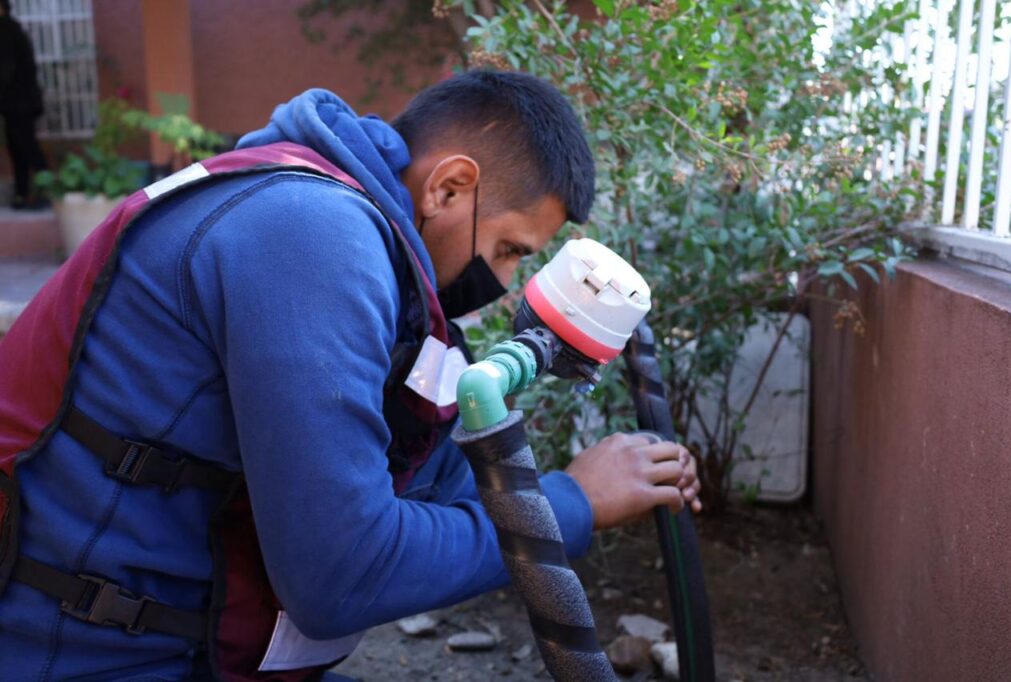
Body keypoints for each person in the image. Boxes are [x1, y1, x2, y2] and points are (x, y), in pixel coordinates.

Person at [0, 70, 700, 680]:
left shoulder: (375, 262)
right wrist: (571, 504)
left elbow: (443, 487)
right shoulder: (310, 234)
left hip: (181, 650)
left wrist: (582, 490)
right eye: (509, 249)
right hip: (85, 656)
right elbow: (342, 576)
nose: (508, 281)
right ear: (451, 188)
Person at [0, 0, 48, 209]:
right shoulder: (11, 28)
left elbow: (6, 69)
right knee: (18, 148)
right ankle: (22, 193)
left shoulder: (6, 30)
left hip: (19, 103)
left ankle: (46, 191)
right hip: (16, 103)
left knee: (26, 147)